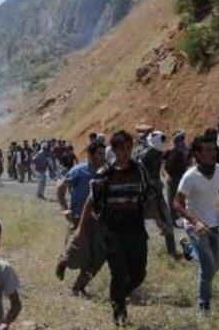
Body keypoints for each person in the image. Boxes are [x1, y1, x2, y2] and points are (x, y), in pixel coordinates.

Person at [82, 131, 170, 326]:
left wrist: (158, 221)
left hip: (136, 227)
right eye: (122, 149)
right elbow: (95, 202)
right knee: (119, 273)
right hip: (113, 230)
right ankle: (119, 315)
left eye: (129, 148)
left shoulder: (139, 170)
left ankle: (119, 296)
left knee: (139, 274)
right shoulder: (104, 174)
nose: (127, 152)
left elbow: (149, 196)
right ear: (114, 150)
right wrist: (98, 226)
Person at [174, 135, 219, 314]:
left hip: (213, 223)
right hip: (195, 226)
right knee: (207, 267)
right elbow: (177, 203)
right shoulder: (190, 177)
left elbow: (218, 190)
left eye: (214, 149)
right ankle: (204, 304)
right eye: (208, 150)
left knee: (217, 263)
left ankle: (189, 250)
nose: (213, 153)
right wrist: (195, 221)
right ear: (197, 154)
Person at [55, 142, 106, 295]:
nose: (103, 157)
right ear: (90, 155)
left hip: (99, 220)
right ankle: (63, 261)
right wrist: (65, 209)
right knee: (78, 253)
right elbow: (60, 188)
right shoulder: (78, 170)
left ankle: (79, 286)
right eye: (99, 153)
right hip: (78, 218)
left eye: (104, 153)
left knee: (99, 255)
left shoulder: (106, 172)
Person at [135, 130, 177, 257]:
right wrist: (152, 182)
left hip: (156, 191)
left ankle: (172, 252)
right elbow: (139, 172)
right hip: (145, 192)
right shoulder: (145, 154)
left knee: (167, 219)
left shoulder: (156, 152)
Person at [163, 130, 190, 223]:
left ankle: (174, 216)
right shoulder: (182, 150)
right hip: (179, 176)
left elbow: (167, 166)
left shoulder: (176, 151)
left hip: (176, 177)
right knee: (179, 196)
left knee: (173, 196)